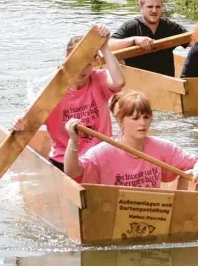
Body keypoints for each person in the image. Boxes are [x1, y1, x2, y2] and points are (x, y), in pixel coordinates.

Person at [12, 24, 125, 172]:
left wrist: (104, 47)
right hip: (63, 161)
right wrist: (18, 124)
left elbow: (119, 82)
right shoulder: (53, 90)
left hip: (99, 157)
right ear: (67, 62)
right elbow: (28, 122)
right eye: (77, 64)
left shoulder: (98, 79)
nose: (82, 70)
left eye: (87, 64)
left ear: (94, 63)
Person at [63, 91, 198, 187]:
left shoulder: (162, 147)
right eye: (135, 118)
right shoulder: (102, 152)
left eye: (146, 117)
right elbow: (72, 172)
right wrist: (73, 141)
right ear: (121, 121)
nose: (142, 123)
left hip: (152, 213)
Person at [109, 0, 188, 77]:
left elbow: (194, 41)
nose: (154, 10)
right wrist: (134, 40)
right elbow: (108, 45)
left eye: (158, 7)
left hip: (166, 86)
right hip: (138, 86)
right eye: (150, 7)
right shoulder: (131, 26)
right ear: (140, 7)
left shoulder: (169, 26)